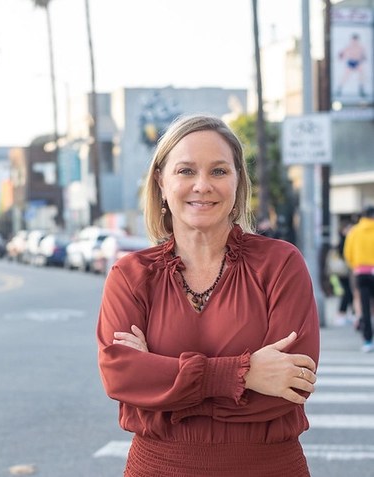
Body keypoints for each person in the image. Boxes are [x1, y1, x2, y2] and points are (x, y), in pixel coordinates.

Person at [96, 114, 320, 476]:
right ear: (161, 182)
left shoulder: (280, 264)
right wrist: (244, 374)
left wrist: (163, 384)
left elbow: (288, 386)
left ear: (237, 182)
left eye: (218, 171)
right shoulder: (131, 275)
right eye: (186, 171)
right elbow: (122, 377)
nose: (203, 185)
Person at [343, 205, 374, 353]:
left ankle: (368, 340)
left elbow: (347, 253)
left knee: (365, 307)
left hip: (361, 273)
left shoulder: (354, 232)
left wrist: (356, 265)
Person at [336, 33, 368, 97]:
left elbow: (363, 56)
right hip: (350, 63)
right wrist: (342, 56)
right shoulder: (349, 46)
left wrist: (362, 58)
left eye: (355, 40)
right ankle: (339, 89)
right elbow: (342, 54)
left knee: (361, 75)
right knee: (345, 76)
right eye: (353, 40)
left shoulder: (360, 47)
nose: (354, 42)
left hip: (357, 63)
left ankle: (361, 89)